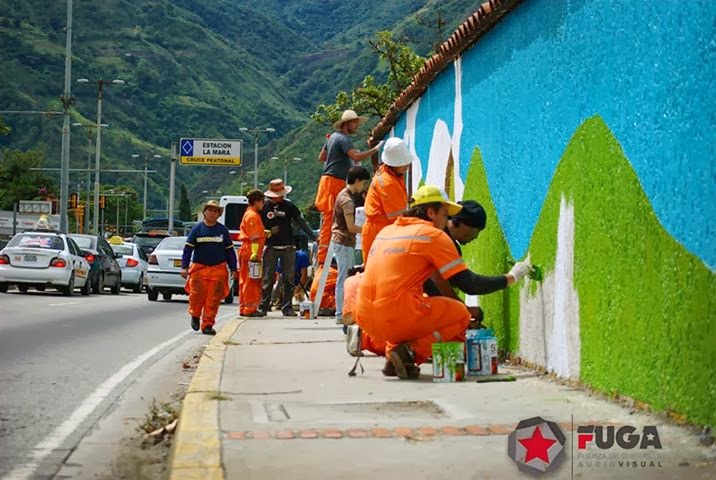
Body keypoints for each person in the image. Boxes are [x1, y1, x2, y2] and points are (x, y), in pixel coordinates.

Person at [355, 185, 532, 380]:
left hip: (365, 317)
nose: (447, 221)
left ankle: (396, 356)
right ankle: (411, 351)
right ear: (431, 212)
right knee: (460, 315)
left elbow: (428, 285)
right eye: (445, 214)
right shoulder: (432, 235)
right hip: (394, 315)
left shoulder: (387, 231)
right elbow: (469, 284)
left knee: (414, 314)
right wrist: (511, 277)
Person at [315, 109, 384, 264]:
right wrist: (375, 149)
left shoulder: (333, 137)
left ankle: (324, 257)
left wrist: (337, 158)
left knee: (330, 219)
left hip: (327, 181)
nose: (356, 125)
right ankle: (324, 259)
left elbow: (322, 157)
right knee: (331, 220)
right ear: (347, 124)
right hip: (334, 181)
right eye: (355, 123)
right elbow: (356, 156)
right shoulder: (343, 139)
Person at [180, 200, 238, 335]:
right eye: (210, 210)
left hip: (218, 269)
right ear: (205, 212)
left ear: (218, 214)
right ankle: (195, 315)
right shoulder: (197, 229)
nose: (212, 213)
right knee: (196, 296)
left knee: (214, 299)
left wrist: (234, 269)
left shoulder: (222, 230)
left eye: (215, 211)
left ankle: (207, 324)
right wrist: (184, 267)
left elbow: (229, 251)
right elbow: (188, 250)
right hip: (199, 269)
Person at [260, 179, 316, 316]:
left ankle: (287, 307)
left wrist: (312, 235)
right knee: (268, 278)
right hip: (271, 246)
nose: (281, 196)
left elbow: (300, 221)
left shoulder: (289, 206)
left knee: (289, 278)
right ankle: (264, 306)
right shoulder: (264, 207)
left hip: (288, 246)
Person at [361, 137, 411, 264]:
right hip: (379, 231)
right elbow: (395, 215)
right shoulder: (388, 182)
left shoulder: (388, 172)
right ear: (392, 164)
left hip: (380, 229)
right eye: (402, 164)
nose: (406, 166)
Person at [331, 165, 371, 324]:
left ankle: (342, 312)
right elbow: (351, 227)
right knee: (344, 278)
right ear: (357, 181)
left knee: (344, 277)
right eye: (363, 183)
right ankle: (341, 313)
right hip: (344, 241)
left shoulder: (343, 194)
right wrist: (369, 229)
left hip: (343, 241)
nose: (364, 187)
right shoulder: (347, 200)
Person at [238, 190, 266, 317]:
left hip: (247, 249)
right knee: (252, 281)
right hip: (251, 250)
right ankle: (250, 308)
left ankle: (244, 306)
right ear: (257, 201)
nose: (263, 204)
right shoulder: (253, 216)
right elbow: (254, 237)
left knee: (244, 279)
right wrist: (255, 254)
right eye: (262, 201)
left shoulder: (248, 214)